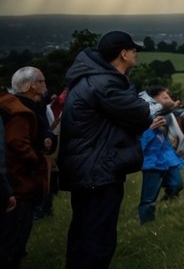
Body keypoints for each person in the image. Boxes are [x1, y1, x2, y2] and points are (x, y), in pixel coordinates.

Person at [60, 31, 157, 268]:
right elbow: (142, 113)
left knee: (82, 234)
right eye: (134, 50)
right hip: (99, 170)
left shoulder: (90, 79)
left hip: (87, 168)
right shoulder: (106, 84)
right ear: (123, 53)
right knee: (97, 239)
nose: (136, 54)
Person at [0, 67, 52, 266]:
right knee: (14, 240)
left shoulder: (11, 104)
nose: (45, 87)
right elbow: (17, 142)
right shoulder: (21, 111)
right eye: (43, 82)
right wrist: (36, 160)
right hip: (20, 183)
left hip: (9, 182)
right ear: (33, 86)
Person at [136, 86, 184, 224]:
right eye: (165, 98)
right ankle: (147, 224)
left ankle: (168, 199)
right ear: (154, 98)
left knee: (177, 183)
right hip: (151, 158)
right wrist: (150, 128)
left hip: (166, 154)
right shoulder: (141, 111)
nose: (168, 100)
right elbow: (136, 138)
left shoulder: (163, 112)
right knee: (149, 197)